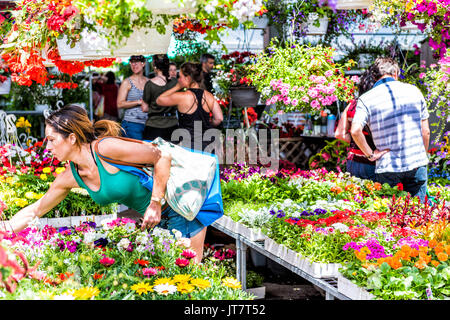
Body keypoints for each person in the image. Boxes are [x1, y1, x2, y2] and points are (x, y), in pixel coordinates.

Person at [0, 105, 213, 263]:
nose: (47, 147)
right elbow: (36, 210)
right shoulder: (70, 176)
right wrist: (5, 230)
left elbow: (162, 156)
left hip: (178, 208)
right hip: (155, 223)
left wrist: (155, 202)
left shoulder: (105, 148)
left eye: (52, 139)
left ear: (72, 138)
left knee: (188, 279)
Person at [351, 57, 430, 202]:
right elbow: (425, 132)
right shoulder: (414, 91)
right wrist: (421, 155)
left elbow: (355, 130)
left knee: (388, 215)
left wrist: (370, 155)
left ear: (374, 77)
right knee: (419, 214)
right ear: (396, 73)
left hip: (387, 165)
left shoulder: (365, 99)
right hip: (416, 162)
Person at [156, 62, 223, 152]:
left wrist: (177, 86)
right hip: (207, 144)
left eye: (180, 77)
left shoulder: (182, 96)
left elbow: (159, 100)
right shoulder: (209, 96)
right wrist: (207, 124)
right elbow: (219, 118)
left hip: (188, 145)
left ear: (187, 78)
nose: (179, 79)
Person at [335, 66, 378, 181]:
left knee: (355, 195)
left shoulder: (352, 104)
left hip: (353, 161)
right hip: (372, 160)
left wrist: (356, 141)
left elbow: (339, 134)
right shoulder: (376, 105)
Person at [142, 55, 179, 142]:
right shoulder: (175, 83)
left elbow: (144, 108)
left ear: (155, 66)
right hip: (172, 125)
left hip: (154, 126)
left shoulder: (149, 84)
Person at [117, 55, 149, 140]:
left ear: (143, 64)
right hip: (131, 124)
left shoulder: (148, 82)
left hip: (148, 123)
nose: (134, 65)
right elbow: (119, 104)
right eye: (132, 62)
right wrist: (138, 102)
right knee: (138, 152)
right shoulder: (127, 82)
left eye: (136, 62)